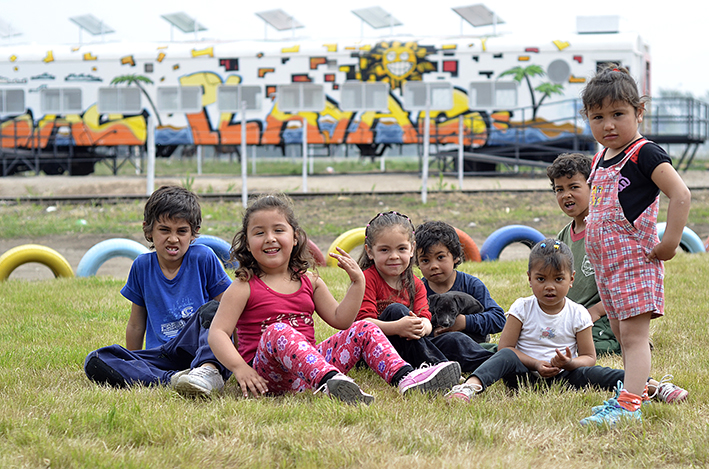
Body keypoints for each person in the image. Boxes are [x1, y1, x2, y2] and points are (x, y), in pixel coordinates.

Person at [208, 194, 460, 405]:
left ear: (294, 237)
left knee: (365, 327)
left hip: (308, 372)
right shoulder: (243, 286)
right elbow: (218, 332)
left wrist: (358, 282)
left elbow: (342, 320)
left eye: (278, 230)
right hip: (267, 376)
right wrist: (241, 369)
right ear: (247, 242)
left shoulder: (309, 280)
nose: (270, 238)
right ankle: (332, 383)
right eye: (259, 232)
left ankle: (406, 378)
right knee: (278, 330)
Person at [445, 239, 682, 426]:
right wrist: (537, 364)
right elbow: (505, 348)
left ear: (571, 280)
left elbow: (589, 357)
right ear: (529, 279)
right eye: (541, 279)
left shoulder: (578, 313)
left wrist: (569, 363)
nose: (549, 286)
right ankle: (469, 387)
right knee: (502, 358)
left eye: (558, 279)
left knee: (598, 373)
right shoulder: (522, 307)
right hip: (522, 375)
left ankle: (654, 386)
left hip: (564, 375)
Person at [579, 66, 691, 425]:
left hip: (635, 263)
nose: (608, 125)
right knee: (620, 333)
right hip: (608, 269)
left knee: (634, 336)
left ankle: (628, 406)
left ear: (639, 112)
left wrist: (670, 242)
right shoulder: (599, 159)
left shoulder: (645, 153)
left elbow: (680, 194)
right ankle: (636, 391)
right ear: (587, 118)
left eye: (618, 114)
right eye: (598, 117)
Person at [84, 185, 232, 395]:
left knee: (214, 309)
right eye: (164, 230)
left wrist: (238, 359)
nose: (173, 239)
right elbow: (136, 325)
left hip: (200, 347)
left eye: (182, 231)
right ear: (148, 230)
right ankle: (171, 380)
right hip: (162, 356)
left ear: (193, 233)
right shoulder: (141, 266)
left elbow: (229, 311)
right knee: (97, 359)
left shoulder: (203, 257)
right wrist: (134, 362)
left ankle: (209, 371)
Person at [355, 211, 459, 372]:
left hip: (407, 342)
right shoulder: (366, 280)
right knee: (396, 310)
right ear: (370, 251)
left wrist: (423, 326)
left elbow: (425, 317)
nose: (394, 256)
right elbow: (363, 325)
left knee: (453, 340)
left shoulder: (416, 284)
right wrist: (397, 327)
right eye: (384, 250)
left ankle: (488, 360)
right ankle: (435, 367)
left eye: (401, 248)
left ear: (412, 249)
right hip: (374, 349)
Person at [546, 153, 621, 356]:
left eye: (574, 187)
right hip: (571, 318)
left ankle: (625, 342)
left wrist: (594, 312)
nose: (566, 195)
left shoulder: (606, 231)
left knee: (574, 350)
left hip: (601, 320)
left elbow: (622, 284)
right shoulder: (562, 236)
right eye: (559, 189)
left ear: (593, 187)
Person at [414, 220, 504, 371]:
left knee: (469, 344)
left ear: (455, 256)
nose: (433, 265)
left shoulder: (471, 285)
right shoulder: (418, 291)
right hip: (438, 348)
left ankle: (495, 361)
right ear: (417, 262)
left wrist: (465, 322)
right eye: (425, 260)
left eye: (440, 257)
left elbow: (498, 319)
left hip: (472, 345)